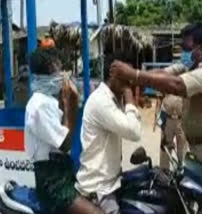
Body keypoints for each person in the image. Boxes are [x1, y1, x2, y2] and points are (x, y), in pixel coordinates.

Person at [111, 23, 202, 214]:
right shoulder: (191, 65)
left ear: (201, 48)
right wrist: (137, 80)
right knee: (189, 195)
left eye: (187, 48)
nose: (184, 52)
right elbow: (165, 74)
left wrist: (134, 74)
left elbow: (176, 85)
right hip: (198, 143)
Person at [25, 48, 104, 214]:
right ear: (50, 70)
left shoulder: (49, 100)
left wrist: (65, 100)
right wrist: (71, 105)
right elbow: (65, 144)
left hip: (63, 174)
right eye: (59, 69)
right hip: (52, 183)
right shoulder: (39, 105)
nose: (63, 74)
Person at [75, 53, 142, 214]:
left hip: (110, 184)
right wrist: (129, 96)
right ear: (113, 73)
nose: (130, 82)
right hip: (99, 191)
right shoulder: (101, 101)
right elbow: (134, 131)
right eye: (127, 76)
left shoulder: (113, 98)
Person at [158, 94, 188, 169]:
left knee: (182, 149)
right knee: (165, 148)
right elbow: (160, 97)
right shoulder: (167, 83)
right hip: (168, 119)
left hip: (181, 120)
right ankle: (164, 172)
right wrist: (158, 116)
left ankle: (182, 170)